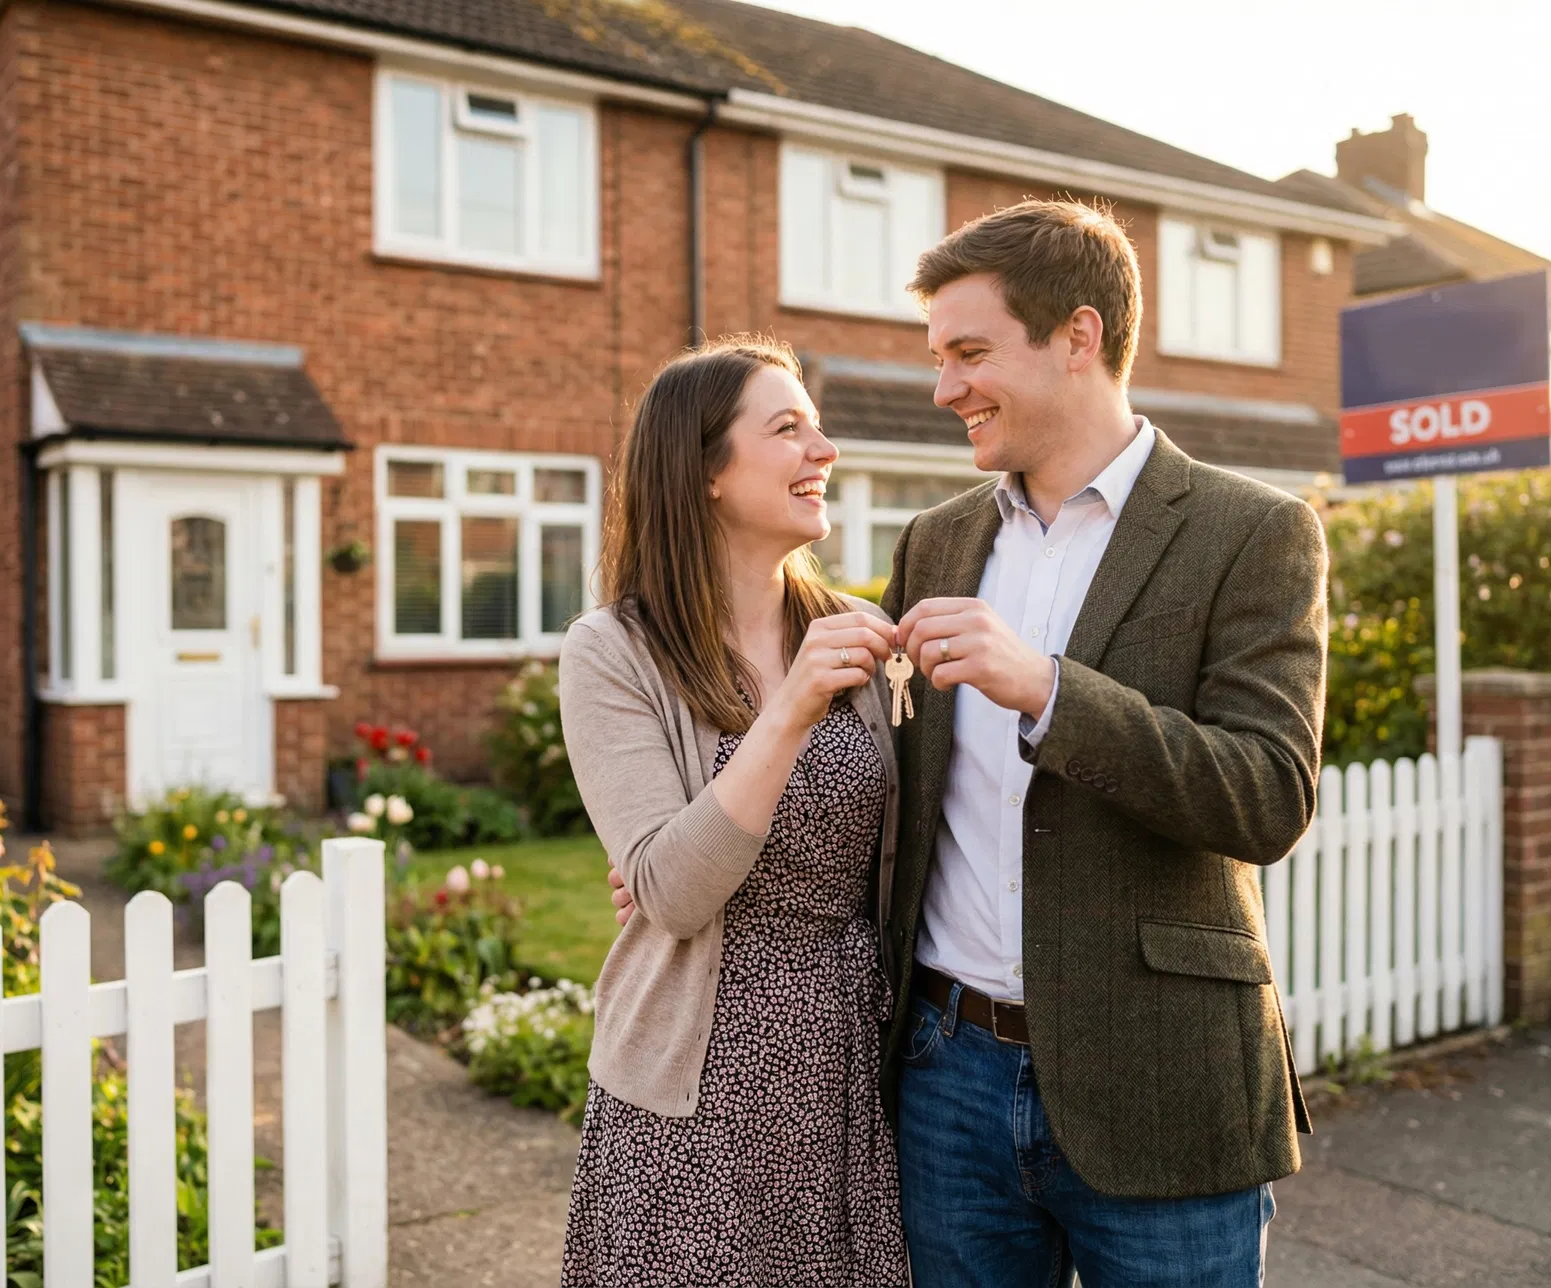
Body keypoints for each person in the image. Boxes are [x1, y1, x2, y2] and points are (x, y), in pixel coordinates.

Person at [611, 201, 1328, 1287]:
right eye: (939, 357)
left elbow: (1269, 794)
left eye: (971, 353)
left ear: (1078, 338)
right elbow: (871, 780)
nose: (946, 387)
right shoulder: (935, 541)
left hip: (1163, 1075)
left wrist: (1047, 688)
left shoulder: (1252, 530)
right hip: (946, 1077)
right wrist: (672, 858)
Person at [557, 337, 910, 1287]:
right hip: (694, 1090)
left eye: (818, 427)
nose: (824, 450)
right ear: (706, 470)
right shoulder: (612, 653)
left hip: (850, 1074)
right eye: (789, 428)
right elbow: (672, 892)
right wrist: (789, 709)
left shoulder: (853, 633)